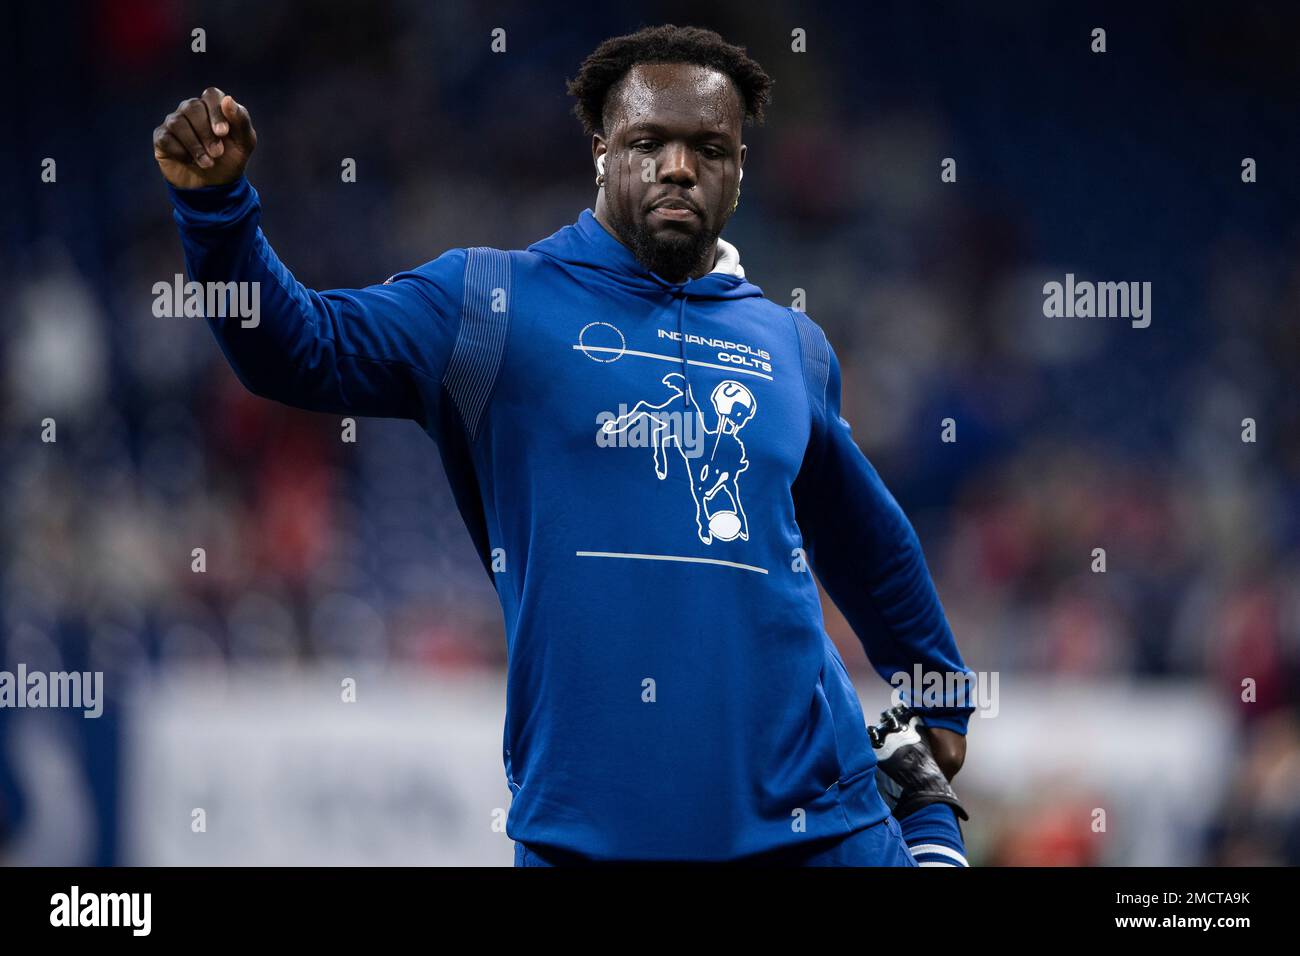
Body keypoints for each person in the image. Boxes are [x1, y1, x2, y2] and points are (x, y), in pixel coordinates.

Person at [153, 24, 975, 865]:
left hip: (819, 824)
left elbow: (866, 540)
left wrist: (939, 693)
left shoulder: (791, 344)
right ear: (601, 152)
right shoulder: (489, 304)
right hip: (588, 839)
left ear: (738, 170)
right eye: (648, 142)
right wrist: (218, 213)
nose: (679, 167)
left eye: (710, 148)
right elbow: (299, 349)